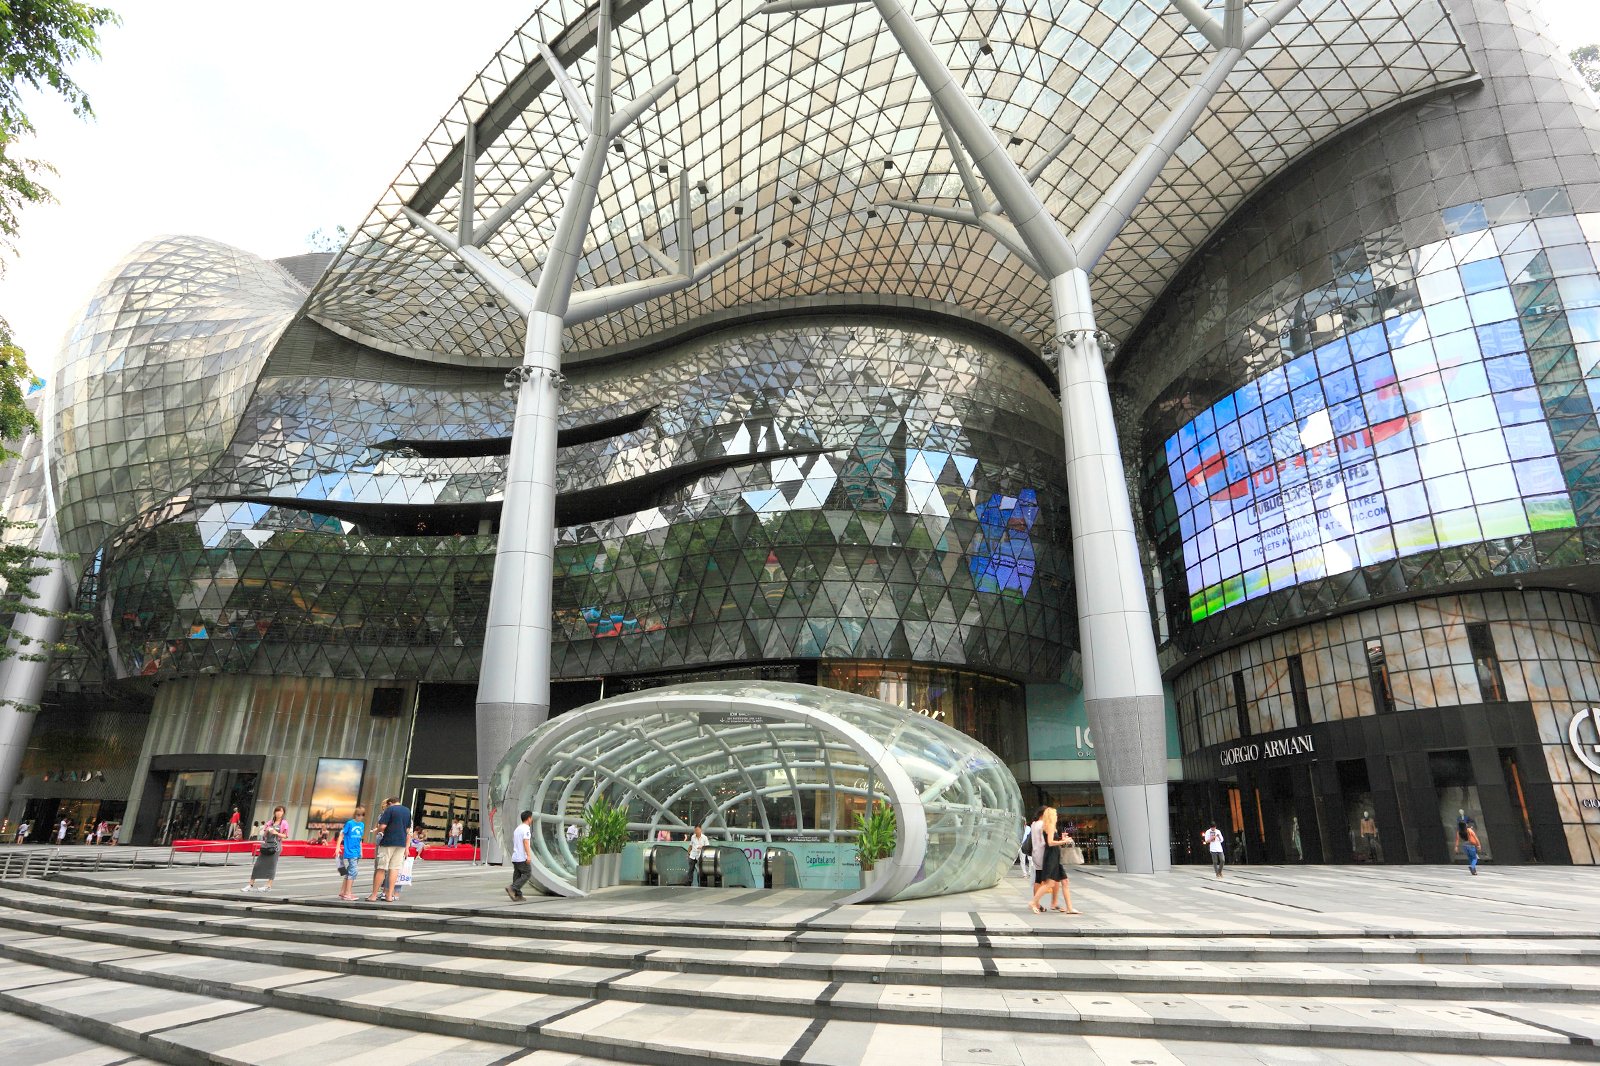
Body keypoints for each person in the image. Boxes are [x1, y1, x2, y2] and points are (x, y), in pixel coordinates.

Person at [368, 797, 411, 902]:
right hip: (401, 843)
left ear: (390, 803)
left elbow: (382, 826)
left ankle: (373, 895)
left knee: (381, 868)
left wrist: (376, 830)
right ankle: (389, 895)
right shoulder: (407, 811)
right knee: (394, 869)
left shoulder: (390, 809)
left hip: (388, 841)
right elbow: (408, 830)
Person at [243, 805, 289, 892]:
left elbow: (285, 835)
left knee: (272, 865)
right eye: (277, 811)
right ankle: (250, 884)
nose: (279, 813)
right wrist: (267, 830)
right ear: (274, 812)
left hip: (276, 846)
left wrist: (276, 832)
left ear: (283, 813)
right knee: (257, 865)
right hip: (267, 845)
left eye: (281, 811)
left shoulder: (284, 823)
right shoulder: (270, 822)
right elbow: (263, 835)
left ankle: (268, 885)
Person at [337, 804, 367, 900]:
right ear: (355, 815)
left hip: (357, 850)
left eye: (362, 815)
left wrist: (361, 851)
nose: (360, 817)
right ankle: (348, 893)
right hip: (350, 850)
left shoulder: (362, 825)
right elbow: (341, 835)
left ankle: (343, 891)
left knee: (350, 871)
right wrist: (338, 847)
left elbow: (360, 839)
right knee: (353, 871)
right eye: (358, 815)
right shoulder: (350, 823)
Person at [506, 809, 533, 902]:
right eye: (531, 818)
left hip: (515, 856)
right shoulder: (526, 829)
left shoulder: (517, 829)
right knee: (527, 873)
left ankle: (518, 895)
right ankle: (513, 888)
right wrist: (528, 856)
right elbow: (526, 842)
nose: (531, 820)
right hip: (522, 857)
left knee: (517, 876)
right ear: (529, 818)